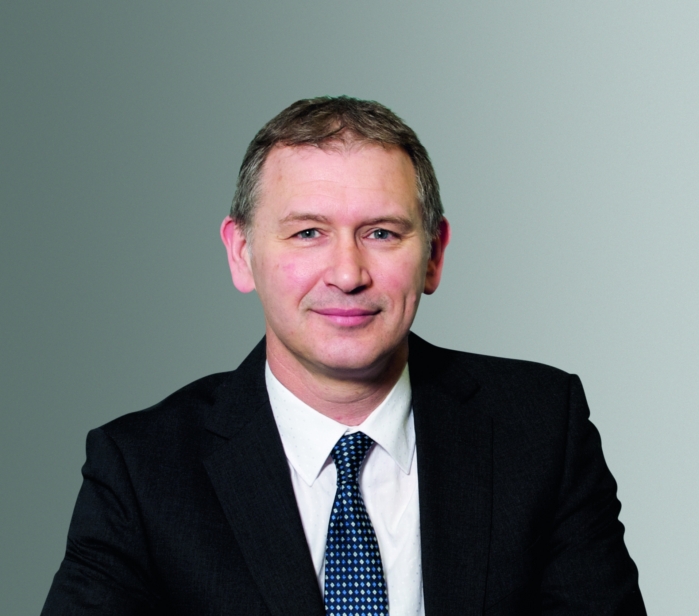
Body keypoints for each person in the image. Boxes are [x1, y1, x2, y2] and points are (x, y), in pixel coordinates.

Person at [42, 96, 646, 615]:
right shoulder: (142, 470)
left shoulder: (541, 429)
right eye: (308, 232)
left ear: (433, 255)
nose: (348, 274)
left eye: (381, 233)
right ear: (241, 253)